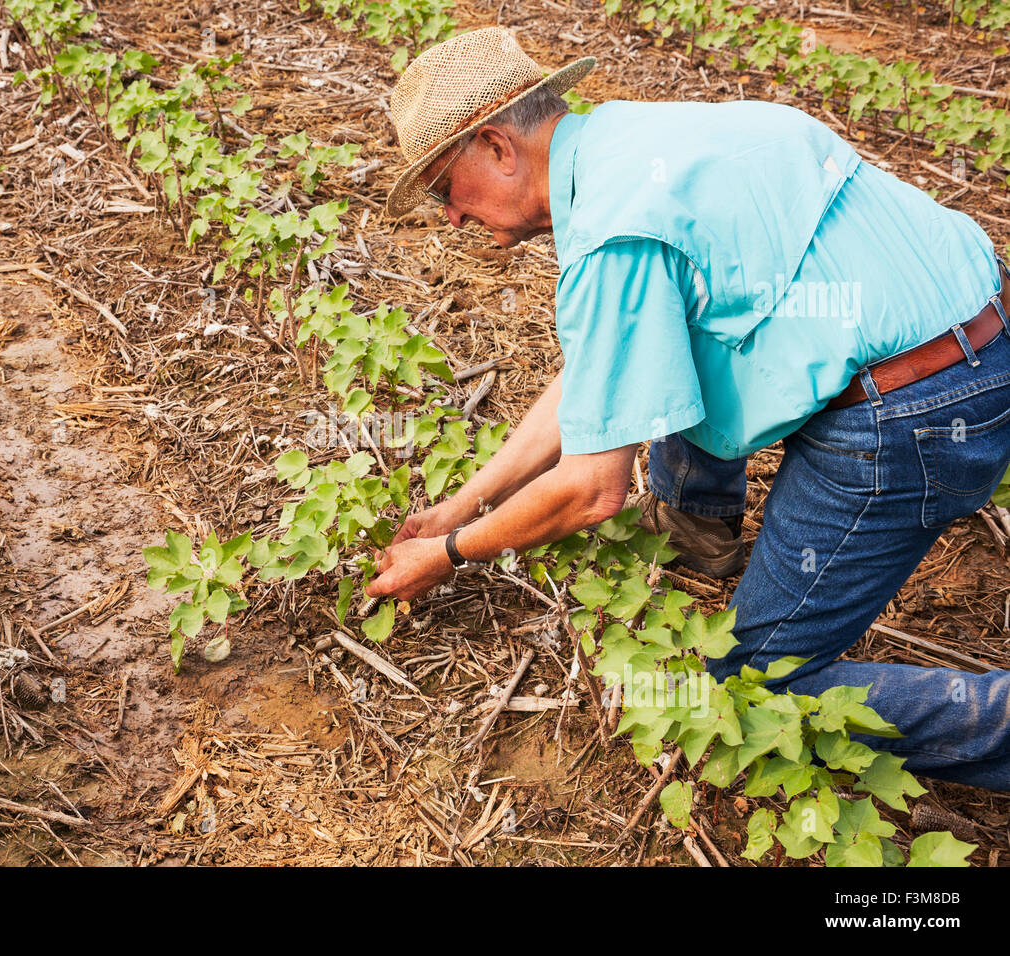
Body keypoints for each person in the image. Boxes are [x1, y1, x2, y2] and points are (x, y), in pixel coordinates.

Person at [363, 26, 1010, 790]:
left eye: (445, 189)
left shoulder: (612, 231)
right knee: (666, 348)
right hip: (981, 324)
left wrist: (449, 553)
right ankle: (695, 531)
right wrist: (461, 504)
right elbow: (599, 375)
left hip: (913, 413)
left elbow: (591, 488)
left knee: (753, 696)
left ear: (499, 147)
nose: (451, 218)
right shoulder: (640, 140)